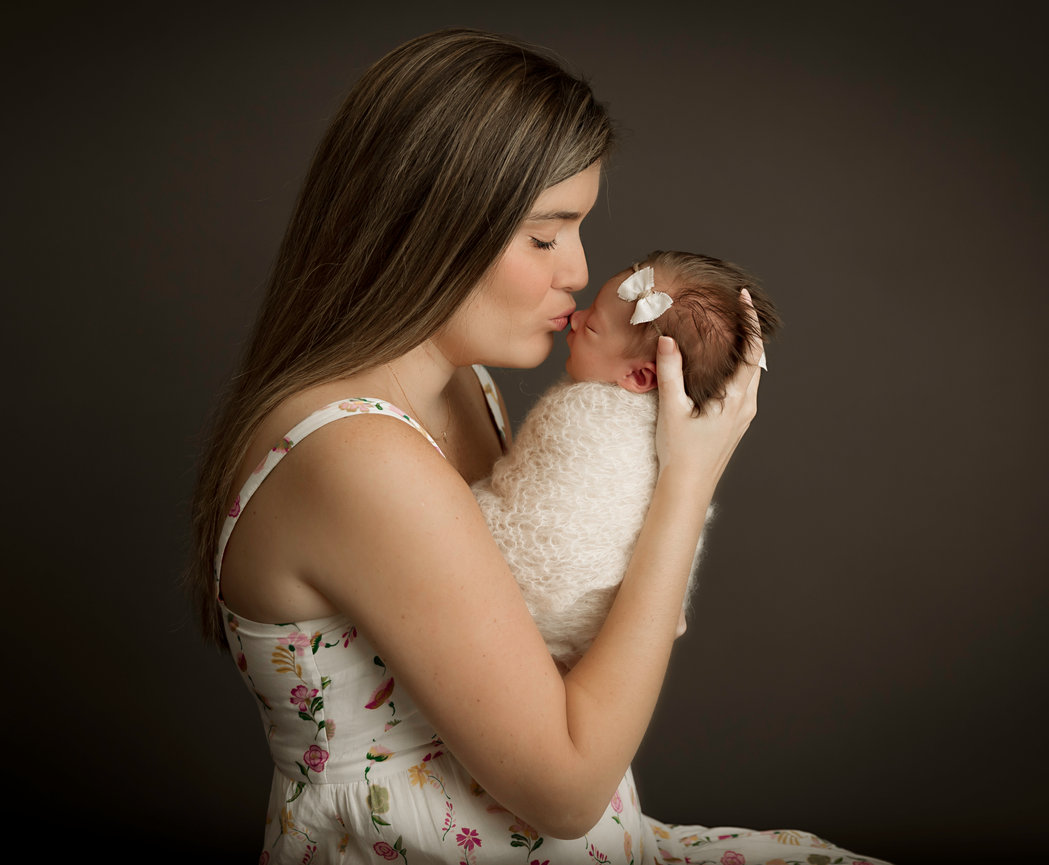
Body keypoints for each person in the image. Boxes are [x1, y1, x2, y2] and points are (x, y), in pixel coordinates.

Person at [190, 28, 892, 864]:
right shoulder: (358, 455)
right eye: (544, 235)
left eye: (578, 229)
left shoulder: (464, 388)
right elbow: (565, 788)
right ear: (430, 225)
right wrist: (688, 483)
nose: (578, 272)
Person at [473, 251, 781, 668]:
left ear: (639, 377)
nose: (576, 318)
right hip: (603, 625)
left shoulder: (580, 411)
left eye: (593, 326)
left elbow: (524, 501)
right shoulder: (677, 439)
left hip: (520, 587)